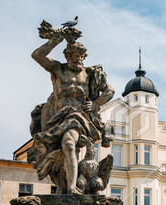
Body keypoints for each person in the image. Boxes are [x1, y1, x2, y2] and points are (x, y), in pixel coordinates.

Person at [29, 33, 114, 194]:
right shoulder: (58, 69)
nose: (78, 60)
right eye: (74, 56)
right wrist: (55, 41)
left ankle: (72, 186)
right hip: (55, 119)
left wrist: (95, 104)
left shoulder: (89, 73)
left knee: (69, 143)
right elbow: (37, 55)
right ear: (67, 56)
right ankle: (63, 187)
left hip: (78, 117)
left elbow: (110, 91)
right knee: (58, 155)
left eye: (81, 57)